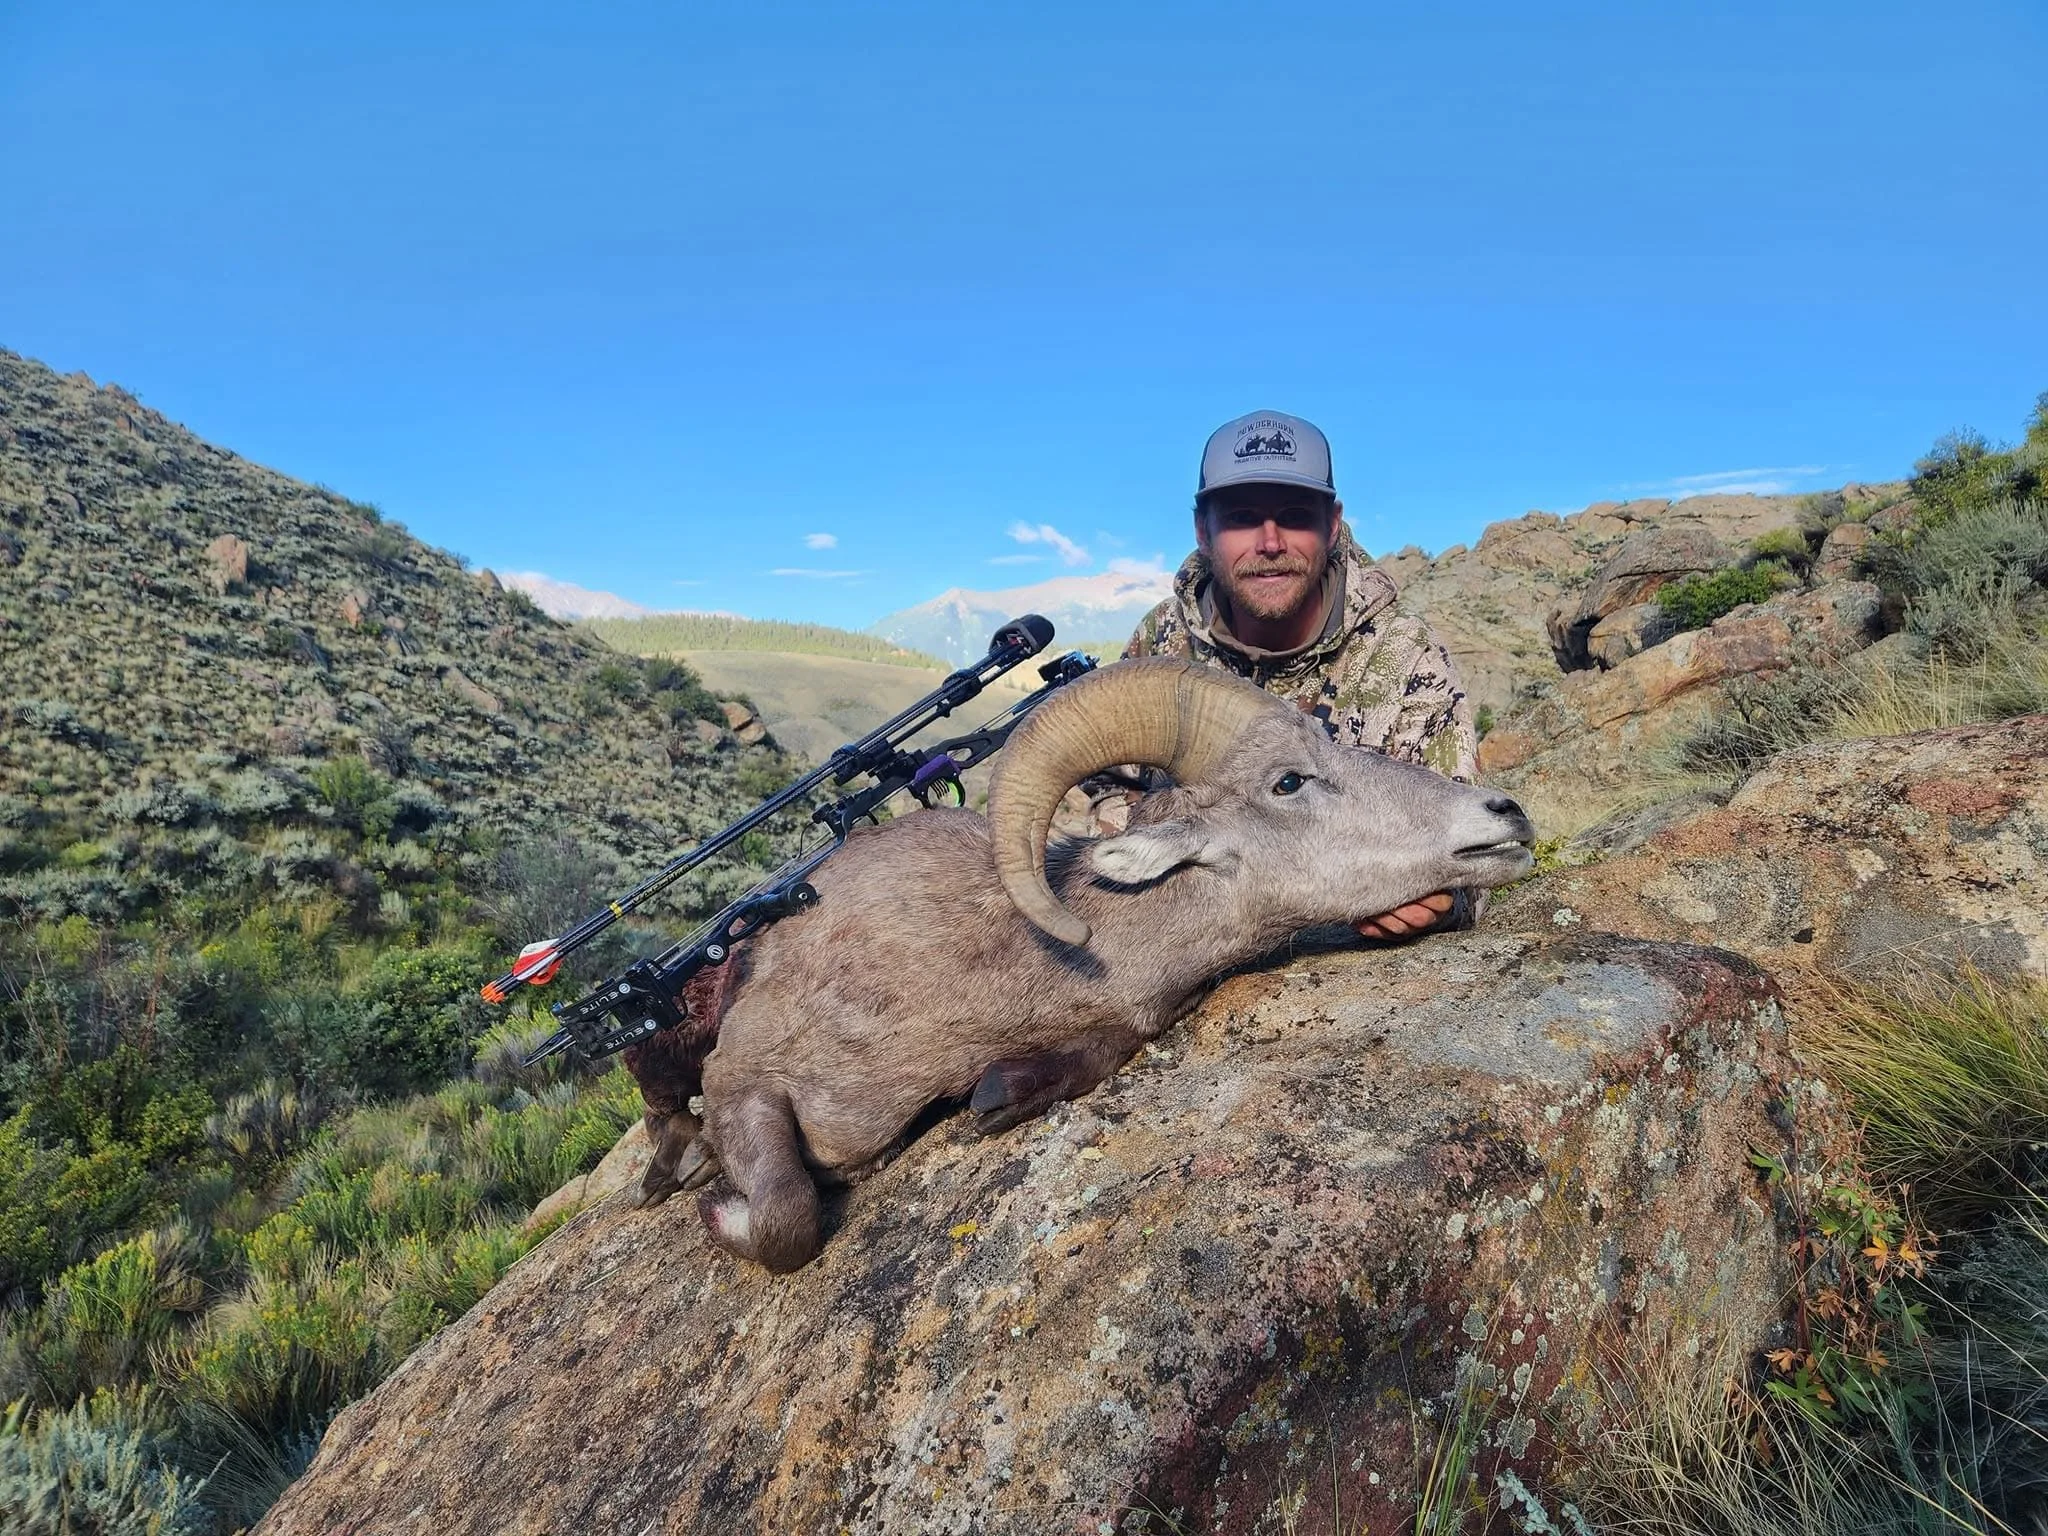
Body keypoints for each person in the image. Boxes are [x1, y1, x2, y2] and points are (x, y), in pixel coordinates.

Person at [1117, 409, 1481, 940]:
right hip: (1187, 939)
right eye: (1241, 517)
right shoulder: (1163, 643)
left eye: (1294, 515)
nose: (1270, 543)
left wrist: (1442, 899)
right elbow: (1099, 800)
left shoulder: (1405, 656)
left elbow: (1474, 835)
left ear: (1331, 525)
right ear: (1203, 530)